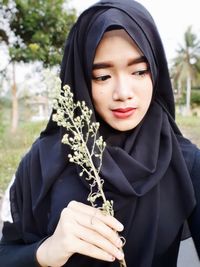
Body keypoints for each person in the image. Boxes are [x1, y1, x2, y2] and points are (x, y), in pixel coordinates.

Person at [0, 0, 200, 266]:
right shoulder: (41, 162)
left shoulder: (186, 163)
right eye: (102, 76)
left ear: (155, 71)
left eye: (139, 71)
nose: (123, 93)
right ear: (80, 79)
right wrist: (45, 251)